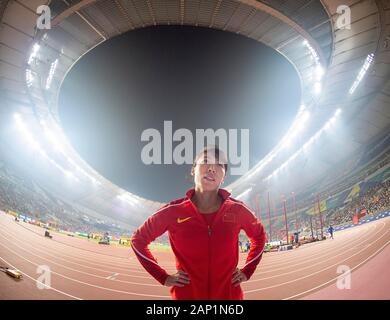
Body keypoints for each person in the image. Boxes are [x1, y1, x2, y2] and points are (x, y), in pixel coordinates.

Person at [131, 146, 267, 300]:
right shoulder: (172, 211)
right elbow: (138, 241)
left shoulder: (238, 210)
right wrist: (163, 277)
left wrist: (247, 270)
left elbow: (260, 236)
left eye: (219, 165)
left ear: (223, 177)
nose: (212, 168)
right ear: (193, 170)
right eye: (206, 161)